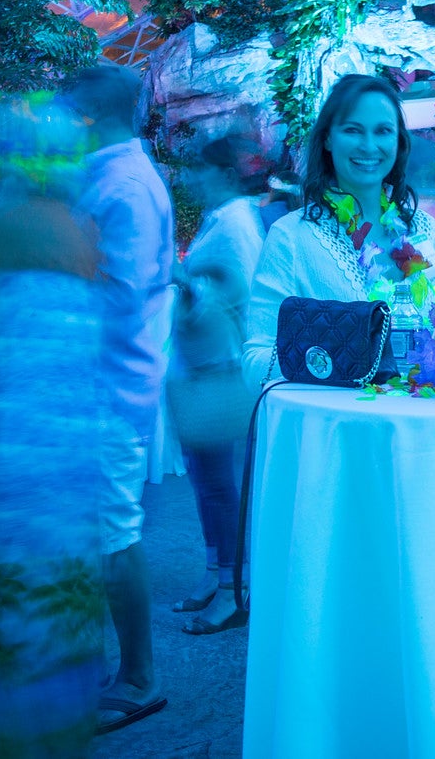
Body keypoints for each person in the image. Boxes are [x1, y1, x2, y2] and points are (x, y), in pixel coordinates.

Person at [0, 95, 105, 758]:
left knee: (8, 637)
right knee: (64, 639)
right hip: (71, 473)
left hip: (8, 474)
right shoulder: (83, 234)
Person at [67, 63, 173, 735]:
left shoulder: (124, 182)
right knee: (100, 528)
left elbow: (121, 294)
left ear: (86, 116)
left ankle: (138, 674)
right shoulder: (118, 174)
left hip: (110, 381)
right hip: (101, 379)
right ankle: (115, 667)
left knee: (114, 531)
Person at [242, 74, 435, 383]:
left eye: (383, 131)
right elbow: (255, 362)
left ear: (398, 141)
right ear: (327, 138)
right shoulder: (294, 238)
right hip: (345, 428)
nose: (369, 146)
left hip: (425, 426)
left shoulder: (425, 230)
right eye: (353, 130)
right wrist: (331, 358)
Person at [168, 136, 265, 635]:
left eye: (201, 171)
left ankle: (232, 590)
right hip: (202, 365)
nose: (192, 180)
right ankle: (214, 573)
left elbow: (246, 292)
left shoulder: (236, 222)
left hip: (223, 369)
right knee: (206, 482)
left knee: (222, 486)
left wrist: (188, 281)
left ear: (224, 174)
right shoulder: (219, 218)